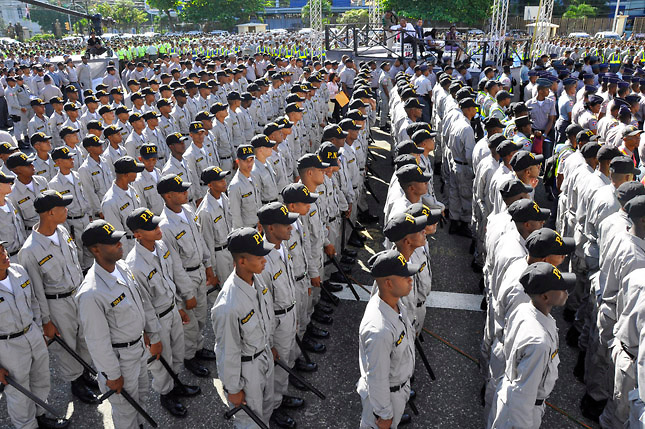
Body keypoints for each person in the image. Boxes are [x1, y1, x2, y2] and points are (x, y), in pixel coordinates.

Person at [76, 220, 162, 429]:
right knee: (125, 410)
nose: (120, 244)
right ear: (96, 249)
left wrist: (152, 332)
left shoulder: (122, 267)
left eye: (118, 239)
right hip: (120, 360)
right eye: (112, 242)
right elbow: (98, 342)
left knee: (140, 398)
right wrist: (112, 375)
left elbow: (141, 302)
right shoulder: (90, 293)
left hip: (138, 349)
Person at [17, 190, 99, 405]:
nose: (67, 210)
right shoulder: (30, 250)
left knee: (84, 337)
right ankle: (76, 383)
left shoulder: (62, 231)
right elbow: (35, 291)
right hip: (57, 304)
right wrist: (46, 321)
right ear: (51, 212)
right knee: (68, 346)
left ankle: (84, 372)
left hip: (77, 294)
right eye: (63, 207)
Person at [125, 207, 201, 417]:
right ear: (138, 234)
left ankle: (175, 383)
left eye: (157, 224)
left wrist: (178, 306)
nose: (158, 229)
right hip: (156, 319)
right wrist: (153, 335)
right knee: (161, 360)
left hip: (172, 310)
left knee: (177, 351)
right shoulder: (135, 265)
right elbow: (144, 304)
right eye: (151, 228)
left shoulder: (161, 245)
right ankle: (166, 394)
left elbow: (171, 277)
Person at [487, 262, 575, 428]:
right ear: (545, 297)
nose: (566, 292)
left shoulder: (524, 309)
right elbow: (523, 395)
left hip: (508, 395)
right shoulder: (539, 343)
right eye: (561, 288)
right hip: (519, 411)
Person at [0, 239, 70, 429]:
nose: (4, 255)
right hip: (8, 346)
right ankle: (27, 426)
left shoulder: (18, 272)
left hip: (32, 334)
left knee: (41, 379)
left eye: (3, 249)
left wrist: (39, 331)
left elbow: (33, 303)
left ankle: (41, 415)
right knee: (19, 392)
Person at [211, 227, 276, 429]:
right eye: (259, 256)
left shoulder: (256, 279)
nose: (265, 259)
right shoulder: (227, 305)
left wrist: (269, 346)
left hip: (263, 356)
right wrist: (233, 388)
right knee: (249, 421)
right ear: (242, 261)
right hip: (247, 371)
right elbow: (226, 351)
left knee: (265, 410)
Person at [157, 174, 218, 377]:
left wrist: (208, 265)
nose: (186, 193)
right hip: (186, 278)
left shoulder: (188, 210)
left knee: (200, 316)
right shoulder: (165, 226)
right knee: (189, 322)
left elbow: (199, 241)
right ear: (167, 196)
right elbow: (174, 265)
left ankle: (198, 347)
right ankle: (189, 356)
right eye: (180, 191)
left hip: (199, 270)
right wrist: (186, 293)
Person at [357, 249, 417, 428]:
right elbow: (377, 377)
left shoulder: (393, 302)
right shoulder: (379, 330)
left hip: (397, 391)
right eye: (404, 276)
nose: (410, 279)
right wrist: (384, 414)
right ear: (389, 283)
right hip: (386, 396)